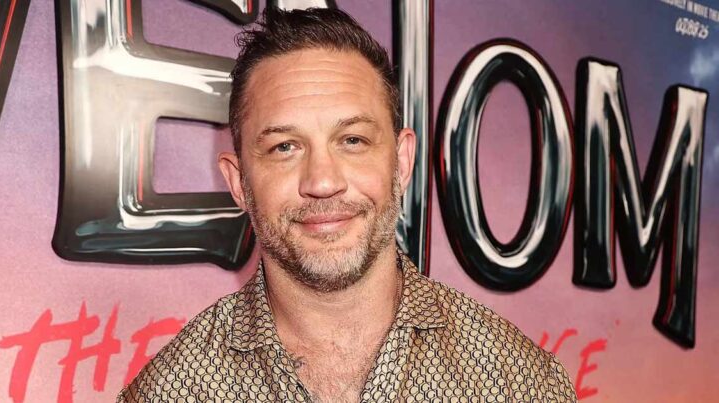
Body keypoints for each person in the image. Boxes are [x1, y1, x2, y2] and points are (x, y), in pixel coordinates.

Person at [118, 7, 576, 403]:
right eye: (284, 147)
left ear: (401, 162)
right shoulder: (171, 392)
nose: (323, 182)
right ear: (239, 183)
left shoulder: (518, 383)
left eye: (352, 140)